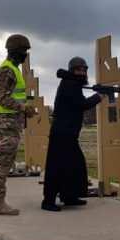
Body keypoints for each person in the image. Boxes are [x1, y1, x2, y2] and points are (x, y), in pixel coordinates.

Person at [0, 34, 36, 216]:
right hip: (7, 122)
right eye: (24, 51)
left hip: (6, 122)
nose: (26, 55)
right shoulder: (8, 70)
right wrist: (23, 108)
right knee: (3, 163)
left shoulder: (11, 69)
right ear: (17, 52)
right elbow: (3, 98)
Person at [41, 57, 104, 212]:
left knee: (73, 166)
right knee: (57, 167)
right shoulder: (70, 84)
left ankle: (69, 196)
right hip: (62, 134)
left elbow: (79, 103)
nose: (82, 72)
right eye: (78, 69)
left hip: (67, 134)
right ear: (72, 70)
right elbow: (81, 104)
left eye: (84, 69)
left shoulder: (72, 83)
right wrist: (99, 96)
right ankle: (48, 201)